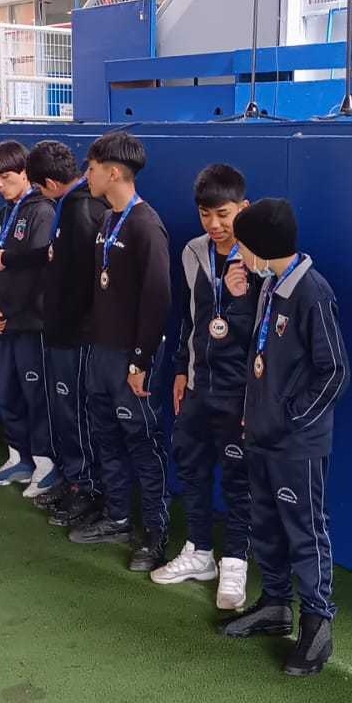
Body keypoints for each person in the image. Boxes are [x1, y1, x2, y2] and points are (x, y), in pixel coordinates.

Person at [220, 199, 350, 678]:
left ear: (261, 248)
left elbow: (335, 372)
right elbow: (261, 358)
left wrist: (292, 419)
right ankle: (275, 605)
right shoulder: (269, 285)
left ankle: (317, 625)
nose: (238, 254)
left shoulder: (312, 293)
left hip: (297, 444)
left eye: (242, 245)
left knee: (305, 530)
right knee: (266, 525)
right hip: (260, 435)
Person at [152, 165, 260, 610]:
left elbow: (265, 333)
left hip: (240, 394)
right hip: (198, 386)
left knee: (237, 480)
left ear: (243, 208)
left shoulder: (260, 260)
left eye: (223, 214)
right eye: (205, 214)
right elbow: (190, 317)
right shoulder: (193, 251)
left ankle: (235, 562)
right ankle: (199, 552)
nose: (213, 224)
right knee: (192, 468)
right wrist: (181, 368)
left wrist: (238, 296)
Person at [68, 131, 173, 573]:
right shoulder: (107, 220)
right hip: (101, 353)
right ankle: (117, 517)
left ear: (113, 172)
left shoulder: (146, 225)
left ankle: (155, 534)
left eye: (91, 169)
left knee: (143, 444)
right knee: (105, 437)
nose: (85, 176)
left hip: (132, 360)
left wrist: (140, 362)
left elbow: (158, 299)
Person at [23, 142, 108, 528]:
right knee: (65, 411)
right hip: (62, 331)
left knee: (76, 412)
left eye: (39, 187)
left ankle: (88, 488)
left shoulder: (84, 210)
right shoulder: (71, 206)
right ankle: (75, 479)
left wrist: (68, 322)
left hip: (76, 336)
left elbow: (86, 282)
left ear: (51, 183)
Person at [0, 141, 58, 494]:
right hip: (3, 325)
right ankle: (19, 458)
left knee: (36, 396)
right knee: (7, 392)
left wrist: (16, 314)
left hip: (31, 326)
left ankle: (46, 464)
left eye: (6, 177)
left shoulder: (43, 211)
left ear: (26, 173)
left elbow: (43, 270)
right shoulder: (0, 217)